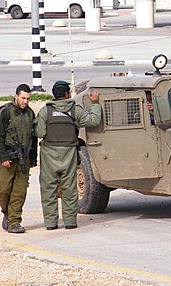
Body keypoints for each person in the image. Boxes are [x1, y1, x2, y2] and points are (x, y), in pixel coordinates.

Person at [35, 80, 101, 230]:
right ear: (66, 94)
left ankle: (51, 224)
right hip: (69, 154)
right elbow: (93, 120)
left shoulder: (46, 111)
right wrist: (95, 104)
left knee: (48, 190)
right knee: (69, 190)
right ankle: (70, 222)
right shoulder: (74, 110)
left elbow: (39, 133)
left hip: (49, 156)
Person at [0, 84, 37, 234]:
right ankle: (6, 213)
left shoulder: (30, 114)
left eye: (28, 99)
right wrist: (3, 156)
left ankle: (14, 221)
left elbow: (33, 137)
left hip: (23, 159)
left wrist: (33, 158)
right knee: (4, 189)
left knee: (20, 191)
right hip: (8, 158)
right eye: (23, 98)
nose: (25, 101)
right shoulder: (5, 112)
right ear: (16, 96)